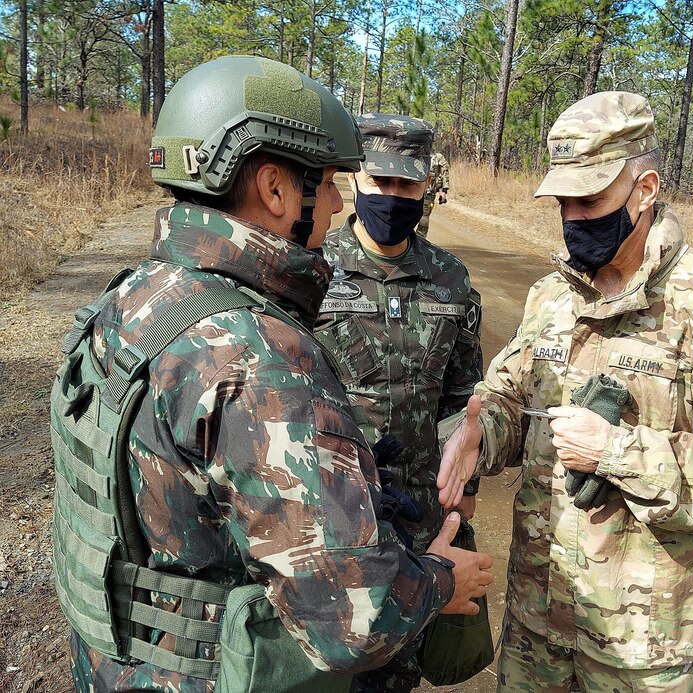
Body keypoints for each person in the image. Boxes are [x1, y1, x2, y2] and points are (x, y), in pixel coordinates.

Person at [50, 56, 492, 693]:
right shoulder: (254, 354)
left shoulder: (132, 298)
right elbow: (354, 619)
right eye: (332, 183)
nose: (342, 202)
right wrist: (441, 577)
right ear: (276, 189)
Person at [436, 91, 693, 692]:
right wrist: (482, 432)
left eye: (592, 200)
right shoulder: (553, 296)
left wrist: (617, 452)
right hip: (541, 620)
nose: (575, 217)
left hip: (645, 646)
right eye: (564, 203)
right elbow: (512, 394)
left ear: (645, 188)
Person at [314, 113, 483, 692]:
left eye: (405, 186)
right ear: (356, 182)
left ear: (425, 187)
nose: (390, 197)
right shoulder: (312, 267)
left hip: (417, 521)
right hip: (332, 517)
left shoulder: (449, 279)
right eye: (378, 183)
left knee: (397, 674)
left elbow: (463, 400)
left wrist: (465, 499)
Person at [416, 150, 450, 238]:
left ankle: (420, 241)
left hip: (428, 193)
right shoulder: (415, 152)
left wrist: (444, 191)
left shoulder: (438, 157)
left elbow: (445, 173)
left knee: (424, 217)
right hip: (411, 191)